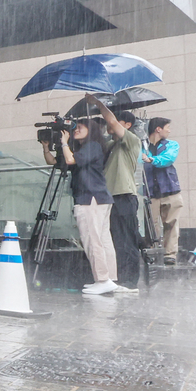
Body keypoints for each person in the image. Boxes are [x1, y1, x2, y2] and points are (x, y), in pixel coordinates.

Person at [42, 116, 116, 294]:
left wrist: (65, 142)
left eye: (80, 127)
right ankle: (110, 279)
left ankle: (102, 279)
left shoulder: (93, 146)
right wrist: (46, 147)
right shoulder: (84, 149)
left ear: (92, 130)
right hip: (98, 198)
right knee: (103, 240)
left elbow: (70, 161)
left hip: (90, 198)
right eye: (75, 127)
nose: (76, 130)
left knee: (92, 240)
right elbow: (53, 162)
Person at [87, 95, 143, 293]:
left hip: (124, 196)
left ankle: (130, 281)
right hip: (109, 198)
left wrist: (99, 104)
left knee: (127, 240)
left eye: (117, 121)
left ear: (127, 125)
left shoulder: (132, 140)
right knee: (113, 240)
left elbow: (110, 121)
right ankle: (115, 279)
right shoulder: (110, 144)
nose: (111, 124)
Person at [144, 117, 182, 264]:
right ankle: (151, 252)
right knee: (150, 226)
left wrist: (152, 160)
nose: (169, 130)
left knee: (171, 223)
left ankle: (170, 255)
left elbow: (168, 158)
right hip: (150, 193)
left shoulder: (172, 145)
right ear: (158, 129)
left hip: (171, 190)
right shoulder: (142, 146)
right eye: (167, 127)